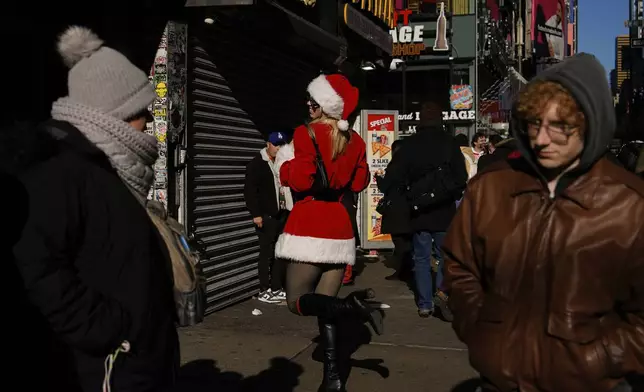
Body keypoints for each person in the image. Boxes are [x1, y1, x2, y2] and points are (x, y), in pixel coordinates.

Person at [444, 53, 644, 392]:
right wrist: (482, 329)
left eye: (559, 126)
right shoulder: (491, 188)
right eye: (535, 124)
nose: (540, 139)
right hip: (498, 382)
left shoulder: (630, 205)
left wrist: (602, 358)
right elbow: (460, 268)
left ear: (590, 123)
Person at [9, 26, 179, 391]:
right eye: (139, 112)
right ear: (111, 112)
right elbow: (36, 264)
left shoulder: (107, 168)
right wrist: (108, 328)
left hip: (133, 359)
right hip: (108, 365)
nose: (147, 123)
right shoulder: (64, 172)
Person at [275, 73, 383, 392]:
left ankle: (346, 307)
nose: (308, 106)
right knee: (326, 307)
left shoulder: (305, 133)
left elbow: (304, 180)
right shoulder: (358, 141)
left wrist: (284, 169)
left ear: (324, 105)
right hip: (339, 223)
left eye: (313, 101)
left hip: (309, 221)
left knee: (295, 302)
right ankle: (333, 379)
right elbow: (361, 183)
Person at [380, 101, 468, 319]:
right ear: (440, 120)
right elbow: (461, 177)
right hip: (444, 209)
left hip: (418, 209)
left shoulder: (409, 145)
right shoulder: (450, 144)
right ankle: (441, 291)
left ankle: (424, 304)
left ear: (420, 121)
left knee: (420, 257)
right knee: (444, 255)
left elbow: (394, 177)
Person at [244, 131, 292, 303]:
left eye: (281, 145)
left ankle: (277, 287)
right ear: (267, 144)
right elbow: (250, 192)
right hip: (266, 215)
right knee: (266, 253)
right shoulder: (257, 164)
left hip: (282, 213)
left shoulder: (282, 163)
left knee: (279, 252)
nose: (278, 148)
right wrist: (256, 214)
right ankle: (264, 289)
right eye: (275, 144)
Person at [376, 139, 413, 282]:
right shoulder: (411, 167)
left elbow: (385, 187)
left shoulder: (394, 167)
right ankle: (407, 269)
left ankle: (403, 271)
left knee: (399, 242)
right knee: (407, 241)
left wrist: (379, 177)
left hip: (396, 209)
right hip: (409, 208)